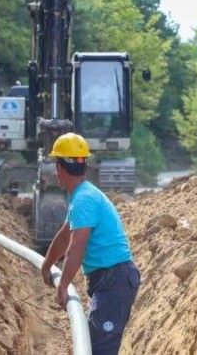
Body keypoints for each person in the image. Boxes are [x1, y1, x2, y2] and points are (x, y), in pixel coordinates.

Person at [40, 132, 141, 355]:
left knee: (99, 350)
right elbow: (65, 235)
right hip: (110, 280)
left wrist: (63, 285)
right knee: (95, 345)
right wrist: (47, 265)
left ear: (60, 168)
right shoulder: (82, 195)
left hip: (114, 281)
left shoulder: (84, 199)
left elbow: (76, 246)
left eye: (56, 164)